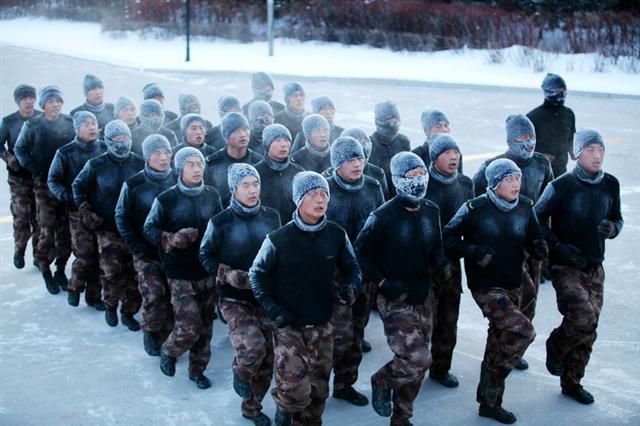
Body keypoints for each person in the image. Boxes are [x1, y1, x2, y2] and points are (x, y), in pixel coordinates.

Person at [250, 171, 361, 426]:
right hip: (289, 326)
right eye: (313, 194)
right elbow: (257, 275)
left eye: (324, 194)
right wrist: (271, 308)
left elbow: (352, 267)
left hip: (322, 323)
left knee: (319, 391)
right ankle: (285, 411)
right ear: (299, 200)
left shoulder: (335, 234)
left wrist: (351, 286)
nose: (320, 200)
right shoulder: (278, 240)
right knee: (294, 390)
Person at [443, 158, 547, 424]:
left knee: (499, 338)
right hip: (486, 287)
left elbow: (535, 234)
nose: (515, 184)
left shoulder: (525, 206)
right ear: (494, 183)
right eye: (508, 180)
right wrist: (472, 251)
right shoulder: (474, 209)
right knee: (523, 331)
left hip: (514, 281)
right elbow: (448, 238)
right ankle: (493, 376)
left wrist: (538, 246)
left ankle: (489, 403)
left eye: (517, 179)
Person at [355, 152, 448, 426]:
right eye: (411, 176)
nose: (418, 181)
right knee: (416, 356)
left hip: (423, 294)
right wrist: (383, 283)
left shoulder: (431, 210)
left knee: (419, 362)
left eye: (422, 175)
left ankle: (402, 416)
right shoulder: (382, 217)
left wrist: (441, 263)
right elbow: (360, 254)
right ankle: (382, 380)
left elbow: (437, 245)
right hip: (395, 298)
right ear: (397, 180)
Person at [535, 129, 623, 405]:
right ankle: (555, 345)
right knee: (582, 317)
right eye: (590, 150)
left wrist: (613, 228)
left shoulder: (611, 184)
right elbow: (535, 219)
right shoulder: (562, 186)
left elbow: (617, 218)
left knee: (590, 328)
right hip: (566, 267)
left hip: (595, 266)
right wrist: (558, 248)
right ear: (577, 154)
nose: (597, 156)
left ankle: (572, 382)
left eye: (600, 150)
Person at [199, 163, 281, 426]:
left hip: (264, 296)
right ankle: (240, 372)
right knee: (252, 347)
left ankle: (252, 408)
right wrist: (226, 274)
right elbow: (205, 255)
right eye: (245, 185)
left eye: (255, 184)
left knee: (268, 357)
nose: (252, 190)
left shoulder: (272, 217)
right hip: (234, 299)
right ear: (234, 189)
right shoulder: (220, 222)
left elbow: (278, 254)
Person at [473, 114, 554, 369]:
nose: (528, 143)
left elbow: (549, 204)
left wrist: (545, 240)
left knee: (530, 299)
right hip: (505, 248)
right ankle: (502, 347)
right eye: (522, 138)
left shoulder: (542, 164)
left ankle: (514, 348)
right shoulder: (494, 166)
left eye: (532, 137)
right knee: (507, 304)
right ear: (510, 141)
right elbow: (476, 204)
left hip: (531, 243)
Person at [144, 147, 223, 389]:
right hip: (179, 273)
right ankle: (169, 349)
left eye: (199, 164)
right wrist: (172, 238)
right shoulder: (166, 199)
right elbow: (150, 228)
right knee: (190, 326)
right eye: (190, 165)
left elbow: (221, 226)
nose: (197, 169)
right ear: (180, 169)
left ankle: (197, 369)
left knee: (206, 327)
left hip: (206, 270)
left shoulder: (212, 195)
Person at [325, 137, 384, 407]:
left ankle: (345, 384)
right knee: (337, 334)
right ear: (337, 163)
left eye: (360, 158)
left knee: (357, 331)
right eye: (350, 160)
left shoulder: (373, 187)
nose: (357, 164)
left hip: (364, 270)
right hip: (334, 273)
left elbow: (382, 227)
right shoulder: (323, 189)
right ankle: (317, 384)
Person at [72, 120, 144, 330]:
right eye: (117, 139)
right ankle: (110, 304)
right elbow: (78, 186)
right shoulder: (96, 165)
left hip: (132, 230)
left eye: (125, 138)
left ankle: (129, 311)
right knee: (112, 271)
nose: (122, 143)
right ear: (108, 141)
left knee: (133, 273)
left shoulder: (139, 164)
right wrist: (85, 209)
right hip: (107, 228)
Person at [115, 134, 177, 356]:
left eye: (167, 152)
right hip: (146, 251)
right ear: (147, 157)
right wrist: (134, 244)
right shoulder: (134, 185)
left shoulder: (179, 179)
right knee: (154, 293)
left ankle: (169, 335)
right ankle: (150, 331)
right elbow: (121, 216)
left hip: (173, 252)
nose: (163, 157)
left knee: (173, 295)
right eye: (157, 153)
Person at [424, 134, 474, 388]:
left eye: (456, 152)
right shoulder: (422, 184)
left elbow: (472, 224)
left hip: (453, 262)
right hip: (425, 264)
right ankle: (414, 366)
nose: (454, 157)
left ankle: (441, 367)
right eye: (447, 153)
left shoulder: (465, 184)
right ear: (434, 158)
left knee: (448, 319)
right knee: (424, 322)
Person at [14, 85, 74, 294]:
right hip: (43, 186)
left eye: (58, 101)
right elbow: (19, 149)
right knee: (46, 230)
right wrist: (33, 168)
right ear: (43, 105)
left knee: (66, 232)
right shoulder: (32, 125)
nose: (55, 104)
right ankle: (45, 268)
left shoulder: (69, 123)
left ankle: (60, 269)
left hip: (65, 185)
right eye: (50, 101)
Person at [48, 111, 106, 309]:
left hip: (101, 212)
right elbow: (53, 180)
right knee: (84, 253)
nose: (92, 127)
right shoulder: (65, 153)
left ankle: (94, 296)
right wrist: (68, 197)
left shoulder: (105, 149)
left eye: (94, 123)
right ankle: (75, 287)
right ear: (77, 128)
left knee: (100, 255)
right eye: (86, 124)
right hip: (77, 212)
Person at [0, 84, 41, 269]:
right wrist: (9, 158)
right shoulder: (8, 122)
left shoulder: (41, 118)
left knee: (39, 217)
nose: (29, 101)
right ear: (18, 101)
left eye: (32, 98)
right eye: (25, 98)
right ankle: (19, 249)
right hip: (18, 177)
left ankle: (38, 255)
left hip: (38, 175)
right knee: (22, 216)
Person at [205, 112, 263, 206]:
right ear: (226, 135)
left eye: (245, 129)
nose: (243, 135)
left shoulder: (258, 162)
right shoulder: (212, 163)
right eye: (236, 131)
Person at [527, 73, 576, 178]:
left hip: (560, 172)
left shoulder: (568, 114)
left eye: (563, 91)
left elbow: (571, 140)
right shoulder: (533, 117)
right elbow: (523, 148)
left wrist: (576, 151)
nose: (561, 95)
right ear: (549, 92)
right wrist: (540, 156)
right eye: (558, 91)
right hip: (537, 173)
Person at [254, 124, 304, 222]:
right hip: (265, 227)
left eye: (286, 140)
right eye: (277, 140)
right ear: (267, 144)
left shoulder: (299, 173)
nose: (283, 144)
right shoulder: (255, 173)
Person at [322, 127, 389, 200]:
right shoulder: (326, 178)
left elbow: (384, 205)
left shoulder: (377, 174)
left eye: (365, 140)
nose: (363, 145)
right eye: (357, 141)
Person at [368, 101, 410, 198]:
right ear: (380, 122)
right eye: (390, 122)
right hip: (377, 195)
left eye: (396, 121)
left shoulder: (404, 142)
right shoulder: (370, 145)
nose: (393, 125)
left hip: (400, 197)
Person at [412, 107, 463, 173]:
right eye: (438, 126)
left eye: (446, 125)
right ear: (428, 131)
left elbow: (460, 180)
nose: (444, 129)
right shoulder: (417, 155)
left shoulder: (455, 154)